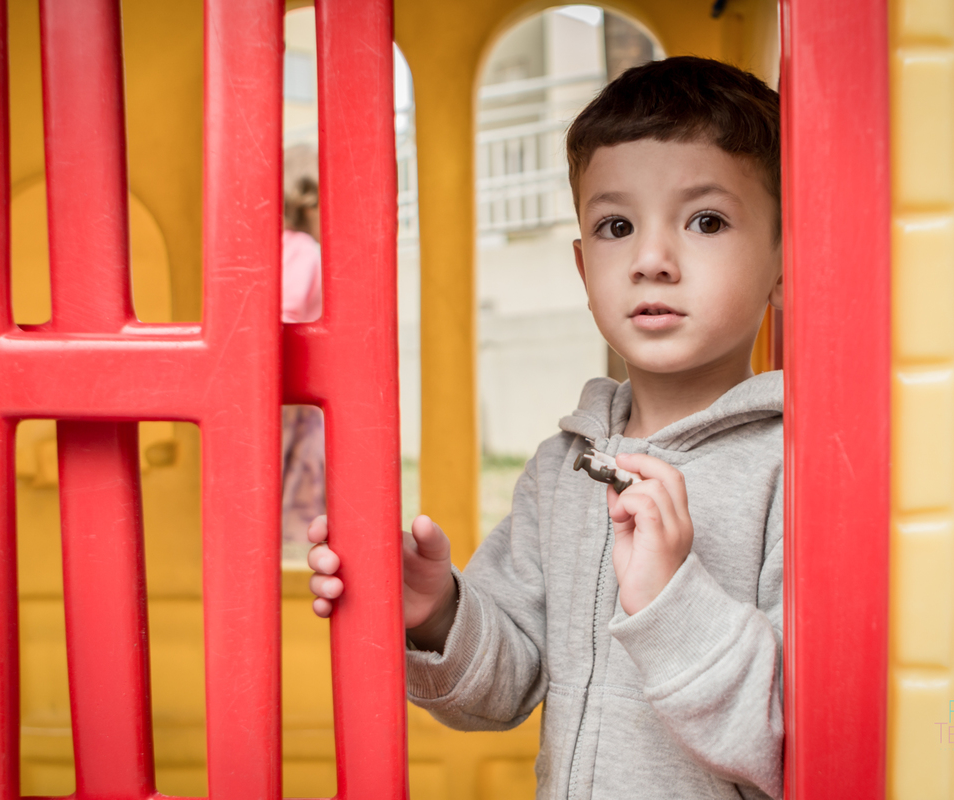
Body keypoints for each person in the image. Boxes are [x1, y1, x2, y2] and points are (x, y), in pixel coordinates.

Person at [307, 57, 786, 798]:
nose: (652, 260)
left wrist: (671, 600)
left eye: (707, 220)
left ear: (787, 262)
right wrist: (436, 614)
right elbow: (502, 686)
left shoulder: (795, 467)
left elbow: (794, 739)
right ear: (582, 264)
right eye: (616, 226)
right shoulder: (564, 468)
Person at [281, 175, 325, 557]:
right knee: (299, 464)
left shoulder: (273, 244)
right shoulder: (304, 248)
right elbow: (289, 307)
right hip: (296, 374)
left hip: (267, 376)